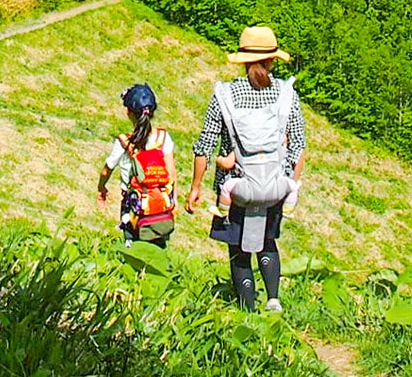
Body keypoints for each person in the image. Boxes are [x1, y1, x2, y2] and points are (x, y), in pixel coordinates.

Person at [189, 26, 306, 313]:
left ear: (241, 61)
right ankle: (274, 300)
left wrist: (195, 188)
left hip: (235, 187)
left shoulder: (225, 94)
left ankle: (247, 310)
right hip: (274, 185)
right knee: (267, 242)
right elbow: (299, 144)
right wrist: (288, 180)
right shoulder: (286, 94)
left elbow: (204, 145)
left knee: (239, 251)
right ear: (272, 60)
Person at [97, 83, 177, 245]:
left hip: (134, 207)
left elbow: (107, 171)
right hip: (160, 206)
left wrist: (101, 189)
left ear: (128, 112)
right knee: (157, 252)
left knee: (132, 250)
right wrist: (173, 201)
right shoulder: (163, 138)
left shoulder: (124, 143)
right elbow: (171, 174)